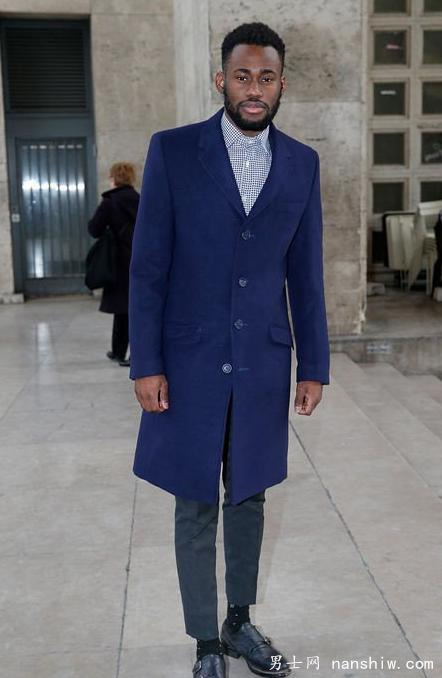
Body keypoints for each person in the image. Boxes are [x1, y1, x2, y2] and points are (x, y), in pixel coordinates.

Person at [129, 22, 330, 678]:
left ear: (281, 85)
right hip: (188, 362)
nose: (253, 89)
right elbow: (148, 266)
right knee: (195, 500)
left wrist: (314, 365)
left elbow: (305, 275)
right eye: (242, 76)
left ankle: (238, 623)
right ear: (221, 80)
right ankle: (204, 643)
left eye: (266, 78)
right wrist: (146, 362)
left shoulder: (301, 163)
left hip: (263, 364)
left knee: (249, 495)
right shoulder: (173, 151)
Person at [88, 162, 139, 367]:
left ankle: (122, 353)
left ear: (114, 179)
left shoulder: (110, 202)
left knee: (122, 307)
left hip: (117, 261)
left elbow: (94, 229)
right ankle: (127, 353)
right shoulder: (140, 199)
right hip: (138, 259)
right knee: (135, 308)